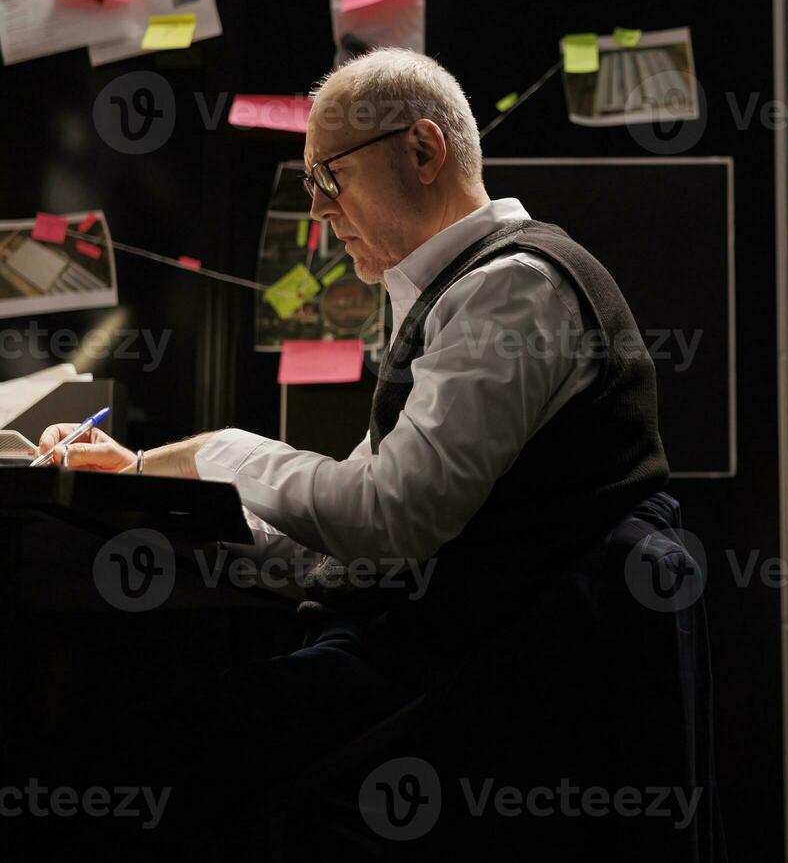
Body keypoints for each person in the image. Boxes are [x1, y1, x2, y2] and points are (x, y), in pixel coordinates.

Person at [30, 47, 675, 850]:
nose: (319, 213)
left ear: (423, 150)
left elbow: (388, 517)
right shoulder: (457, 296)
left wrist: (216, 455)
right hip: (458, 651)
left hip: (504, 677)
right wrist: (141, 476)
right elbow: (355, 514)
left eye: (327, 177)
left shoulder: (513, 291)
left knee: (128, 766)